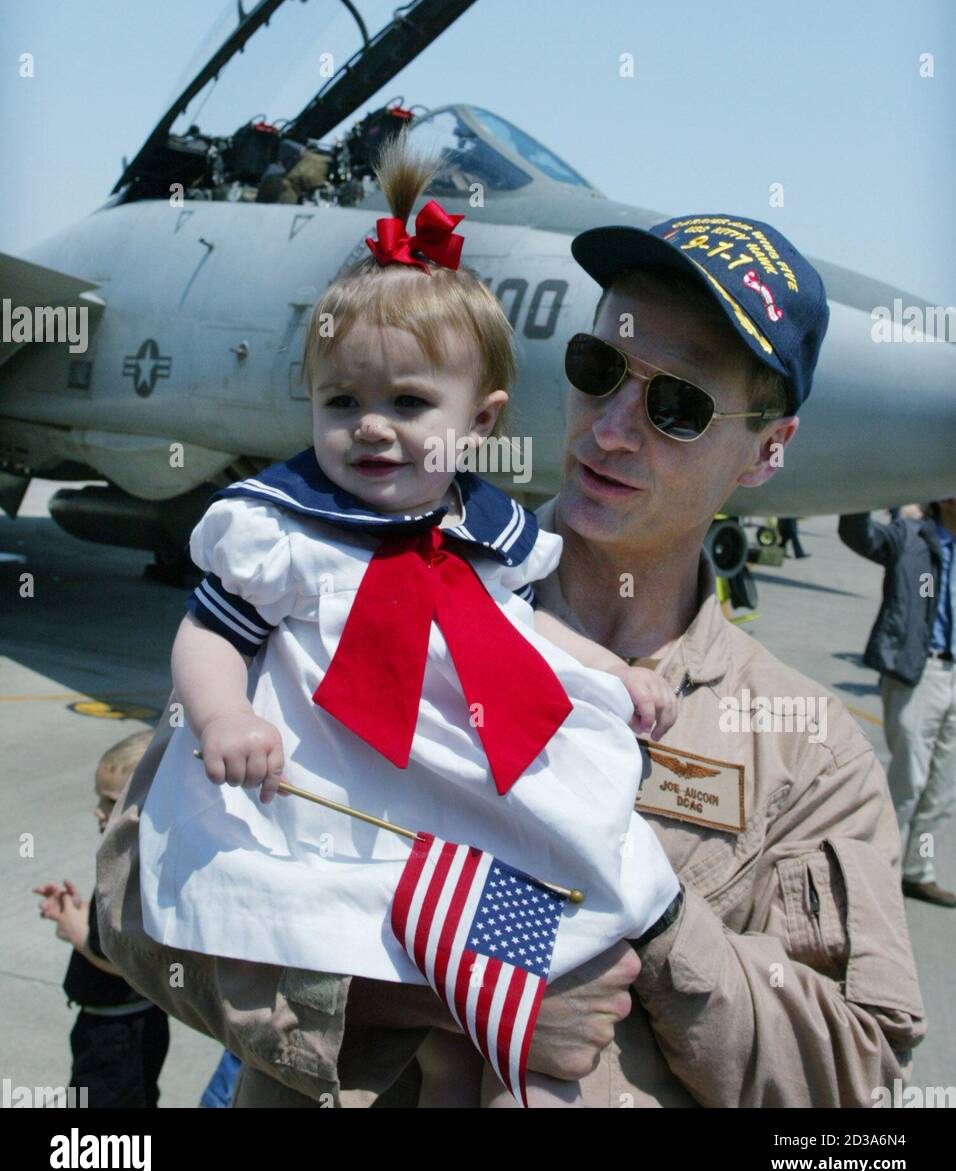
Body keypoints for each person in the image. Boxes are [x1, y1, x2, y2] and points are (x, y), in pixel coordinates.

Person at [97, 212, 927, 1108]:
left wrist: (654, 921)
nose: (610, 429)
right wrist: (456, 990)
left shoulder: (805, 749)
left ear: (768, 450)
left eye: (677, 404)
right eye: (599, 369)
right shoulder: (355, 586)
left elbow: (852, 1072)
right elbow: (137, 897)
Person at [134, 135, 682, 1106]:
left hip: (463, 817)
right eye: (342, 399)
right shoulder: (284, 531)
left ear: (481, 421)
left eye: (409, 401)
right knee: (302, 1050)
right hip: (327, 810)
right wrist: (223, 717)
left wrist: (611, 670)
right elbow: (210, 630)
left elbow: (517, 632)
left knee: (493, 1039)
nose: (371, 425)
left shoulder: (484, 532)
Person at [35, 730, 169, 1108]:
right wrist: (77, 912)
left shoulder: (137, 870)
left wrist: (77, 934)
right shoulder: (127, 858)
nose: (98, 809)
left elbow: (131, 960)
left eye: (109, 801)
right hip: (118, 1025)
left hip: (119, 1033)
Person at [839, 498, 956, 906]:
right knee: (909, 781)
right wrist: (869, 487)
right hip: (918, 673)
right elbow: (858, 534)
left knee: (942, 789)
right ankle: (879, 874)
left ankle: (917, 870)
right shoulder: (910, 537)